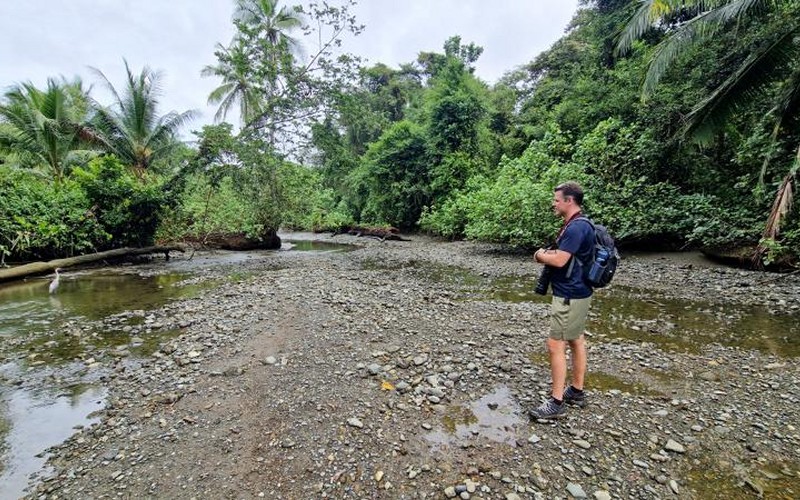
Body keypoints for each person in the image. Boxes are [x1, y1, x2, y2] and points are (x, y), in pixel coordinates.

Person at [530, 181, 595, 420]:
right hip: (580, 291)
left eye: (557, 200)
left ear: (569, 201)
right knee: (576, 339)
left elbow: (559, 260)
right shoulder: (582, 224)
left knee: (555, 344)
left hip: (569, 294)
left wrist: (539, 255)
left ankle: (556, 403)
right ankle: (576, 391)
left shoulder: (576, 228)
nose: (553, 203)